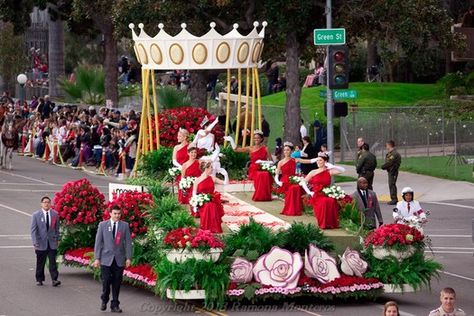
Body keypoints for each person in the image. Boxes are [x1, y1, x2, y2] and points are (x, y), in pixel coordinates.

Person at [93, 206, 132, 313]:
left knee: (117, 283)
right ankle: (104, 299)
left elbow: (128, 243)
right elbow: (98, 242)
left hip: (119, 259)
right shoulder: (102, 225)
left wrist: (128, 258)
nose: (117, 216)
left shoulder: (124, 226)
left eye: (119, 214)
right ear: (110, 213)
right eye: (115, 213)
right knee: (105, 282)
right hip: (106, 259)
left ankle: (115, 304)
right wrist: (97, 258)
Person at [299, 154, 345, 229]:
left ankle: (330, 223)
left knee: (331, 201)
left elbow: (343, 170)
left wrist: (332, 166)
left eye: (320, 160)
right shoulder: (313, 172)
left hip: (326, 194)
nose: (318, 162)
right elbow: (304, 182)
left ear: (325, 162)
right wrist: (309, 192)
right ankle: (323, 223)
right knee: (324, 202)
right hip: (317, 194)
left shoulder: (329, 171)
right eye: (317, 160)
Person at [225, 130, 272, 201]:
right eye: (255, 138)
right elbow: (236, 149)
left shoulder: (265, 148)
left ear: (261, 139)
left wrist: (263, 162)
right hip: (254, 168)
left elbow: (271, 161)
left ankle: (266, 195)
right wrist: (231, 140)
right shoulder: (250, 148)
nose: (256, 139)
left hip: (264, 167)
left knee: (265, 174)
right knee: (260, 175)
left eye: (258, 138)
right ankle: (259, 195)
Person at [30, 196, 61, 287]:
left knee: (53, 262)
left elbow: (57, 228)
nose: (46, 204)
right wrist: (35, 242)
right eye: (44, 202)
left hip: (52, 242)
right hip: (40, 243)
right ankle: (39, 279)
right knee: (40, 262)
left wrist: (58, 239)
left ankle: (54, 279)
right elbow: (33, 230)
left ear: (50, 204)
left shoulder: (55, 214)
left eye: (48, 202)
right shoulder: (36, 215)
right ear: (41, 204)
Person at [192, 161, 225, 233]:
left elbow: (224, 182)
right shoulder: (197, 180)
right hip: (202, 201)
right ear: (206, 168)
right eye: (211, 168)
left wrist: (225, 175)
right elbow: (194, 193)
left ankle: (214, 228)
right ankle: (206, 227)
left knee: (211, 205)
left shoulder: (212, 178)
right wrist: (195, 205)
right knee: (208, 206)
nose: (212, 169)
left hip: (212, 199)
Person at [275, 142, 302, 216]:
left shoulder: (294, 160)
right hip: (285, 180)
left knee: (296, 188)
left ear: (291, 151)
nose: (286, 152)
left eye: (288, 150)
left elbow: (309, 161)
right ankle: (289, 209)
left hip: (293, 179)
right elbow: (276, 174)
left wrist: (318, 159)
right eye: (285, 150)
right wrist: (278, 182)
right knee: (292, 189)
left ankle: (295, 209)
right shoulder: (280, 162)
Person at [381, 140, 401, 205]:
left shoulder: (394, 154)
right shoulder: (390, 153)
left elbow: (390, 162)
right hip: (390, 171)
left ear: (390, 145)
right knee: (391, 184)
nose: (386, 146)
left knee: (392, 184)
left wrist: (383, 166)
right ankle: (393, 198)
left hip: (393, 172)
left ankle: (394, 199)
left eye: (387, 145)